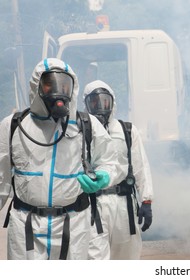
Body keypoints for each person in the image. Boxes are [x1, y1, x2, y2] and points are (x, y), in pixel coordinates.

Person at [0, 58, 120, 260]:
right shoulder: (13, 126)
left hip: (72, 225)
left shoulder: (85, 124)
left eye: (64, 85)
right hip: (25, 226)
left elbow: (110, 160)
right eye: (50, 84)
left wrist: (104, 176)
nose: (58, 91)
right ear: (37, 87)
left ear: (72, 88)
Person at [83, 80, 153, 260]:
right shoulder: (81, 131)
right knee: (95, 259)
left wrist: (146, 201)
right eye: (94, 102)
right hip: (93, 205)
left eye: (104, 101)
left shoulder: (127, 131)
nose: (100, 107)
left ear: (113, 102)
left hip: (124, 204)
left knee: (126, 258)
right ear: (86, 104)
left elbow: (140, 166)